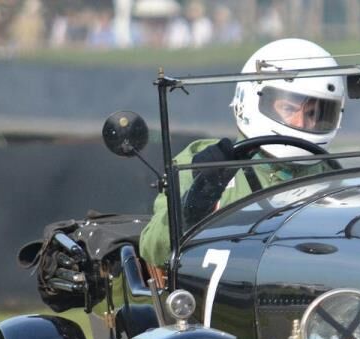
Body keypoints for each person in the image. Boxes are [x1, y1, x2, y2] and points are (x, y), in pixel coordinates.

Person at [138, 38, 345, 267]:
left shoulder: (331, 177)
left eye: (314, 113)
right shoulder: (202, 161)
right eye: (289, 109)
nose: (302, 122)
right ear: (250, 99)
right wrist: (198, 200)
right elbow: (153, 249)